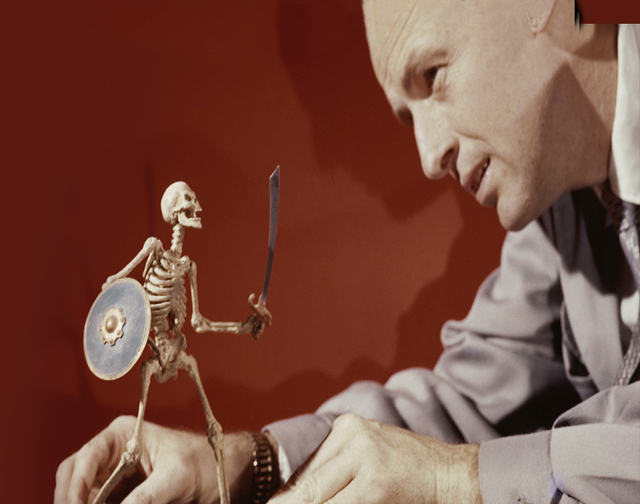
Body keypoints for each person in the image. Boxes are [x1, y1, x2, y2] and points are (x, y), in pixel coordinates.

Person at [55, 0, 639, 503]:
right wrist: (248, 461)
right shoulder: (563, 208)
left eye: (432, 74)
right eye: (408, 117)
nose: (429, 156)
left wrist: (451, 480)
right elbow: (471, 399)